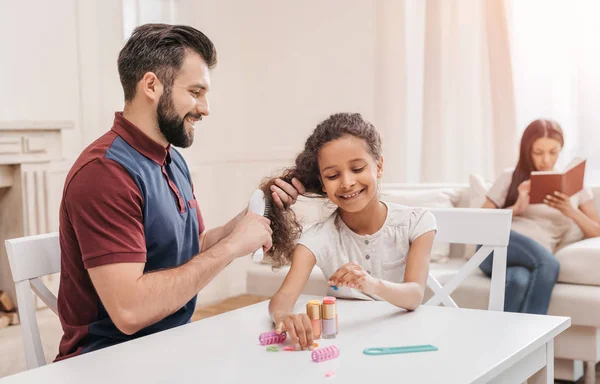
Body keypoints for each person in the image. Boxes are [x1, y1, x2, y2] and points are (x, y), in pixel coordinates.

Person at [56, 23, 305, 360]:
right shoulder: (105, 173)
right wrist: (233, 246)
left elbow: (191, 249)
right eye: (195, 92)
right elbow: (129, 312)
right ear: (151, 85)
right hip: (108, 361)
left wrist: (253, 216)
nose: (205, 108)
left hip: (169, 346)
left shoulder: (172, 160)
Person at [260, 112, 437, 351]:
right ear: (323, 183)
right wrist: (283, 316)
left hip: (405, 342)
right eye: (332, 176)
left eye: (357, 168)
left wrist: (371, 284)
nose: (346, 183)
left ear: (379, 166)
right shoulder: (317, 237)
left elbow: (414, 295)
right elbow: (283, 298)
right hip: (344, 347)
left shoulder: (417, 223)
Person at [480, 119, 600, 314]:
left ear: (561, 149)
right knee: (549, 264)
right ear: (527, 151)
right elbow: (477, 223)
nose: (546, 160)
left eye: (553, 152)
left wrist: (570, 211)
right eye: (538, 152)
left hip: (533, 256)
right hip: (498, 246)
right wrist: (517, 208)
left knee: (519, 280)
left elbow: (596, 232)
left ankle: (500, 341)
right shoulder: (511, 176)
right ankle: (538, 341)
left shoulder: (575, 185)